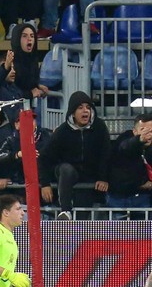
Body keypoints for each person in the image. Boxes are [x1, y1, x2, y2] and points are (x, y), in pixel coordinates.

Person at [39, 90, 110, 220]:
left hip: (89, 179)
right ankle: (65, 212)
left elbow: (105, 154)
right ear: (73, 112)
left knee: (81, 219)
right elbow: (44, 158)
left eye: (88, 107)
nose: (85, 111)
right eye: (80, 108)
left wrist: (103, 177)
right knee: (66, 169)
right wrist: (45, 184)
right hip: (67, 173)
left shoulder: (100, 127)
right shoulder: (62, 131)